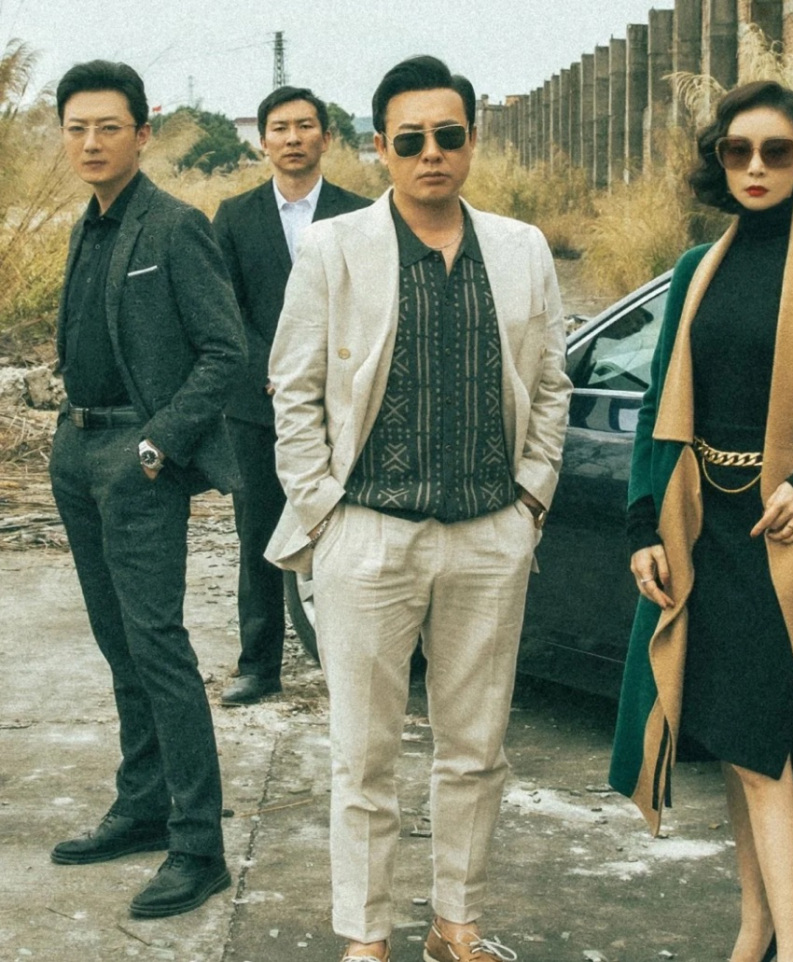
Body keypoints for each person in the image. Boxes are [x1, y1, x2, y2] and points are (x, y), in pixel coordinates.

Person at [265, 55, 572, 962]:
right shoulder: (335, 248)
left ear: (472, 140)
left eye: (447, 135)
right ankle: (367, 937)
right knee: (363, 755)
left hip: (488, 532)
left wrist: (530, 498)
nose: (430, 153)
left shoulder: (522, 248)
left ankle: (455, 925)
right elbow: (294, 390)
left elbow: (551, 383)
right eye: (410, 140)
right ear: (380, 148)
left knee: (475, 749)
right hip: (369, 533)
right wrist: (324, 512)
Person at [608, 81, 793, 962]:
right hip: (707, 534)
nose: (755, 167)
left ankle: (792, 952)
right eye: (737, 150)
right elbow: (659, 406)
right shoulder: (696, 267)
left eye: (775, 151)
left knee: (760, 750)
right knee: (737, 749)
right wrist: (642, 526)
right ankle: (754, 931)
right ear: (720, 159)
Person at [48, 60, 246, 919]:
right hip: (78, 450)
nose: (91, 142)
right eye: (77, 128)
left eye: (108, 127)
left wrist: (158, 442)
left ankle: (198, 846)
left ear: (142, 133)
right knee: (118, 644)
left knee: (158, 647)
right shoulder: (87, 225)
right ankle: (142, 806)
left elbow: (225, 351)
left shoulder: (174, 225)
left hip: (137, 456)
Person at [213, 86, 371, 707]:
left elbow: (368, 307)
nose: (293, 138)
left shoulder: (361, 214)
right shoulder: (234, 216)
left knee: (345, 532)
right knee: (257, 533)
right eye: (280, 128)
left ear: (326, 137)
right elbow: (223, 309)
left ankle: (351, 661)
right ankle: (259, 666)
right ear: (263, 141)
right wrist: (276, 373)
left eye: (305, 126)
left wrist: (322, 377)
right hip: (256, 406)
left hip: (340, 405)